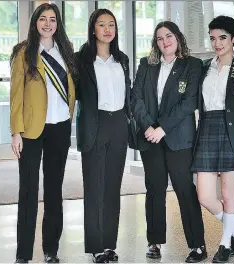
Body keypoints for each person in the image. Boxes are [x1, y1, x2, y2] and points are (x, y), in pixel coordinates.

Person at [131, 21, 207, 263]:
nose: (165, 41)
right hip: (150, 138)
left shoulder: (192, 65)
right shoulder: (146, 64)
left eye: (169, 36)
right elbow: (136, 98)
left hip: (178, 139)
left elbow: (189, 103)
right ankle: (154, 242)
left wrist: (162, 128)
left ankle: (198, 245)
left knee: (185, 190)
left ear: (178, 37)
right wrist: (150, 127)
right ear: (156, 42)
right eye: (160, 38)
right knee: (155, 190)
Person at [10, 3, 76, 263]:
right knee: (28, 190)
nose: (48, 24)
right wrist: (16, 132)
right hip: (30, 131)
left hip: (60, 128)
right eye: (43, 19)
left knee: (53, 190)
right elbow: (16, 95)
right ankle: (23, 254)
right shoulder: (24, 53)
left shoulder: (66, 53)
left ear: (58, 24)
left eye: (52, 19)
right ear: (35, 22)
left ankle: (51, 250)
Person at [191, 16, 234, 263]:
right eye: (213, 38)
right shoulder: (204, 66)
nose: (217, 43)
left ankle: (226, 243)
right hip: (206, 130)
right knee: (204, 195)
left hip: (231, 131)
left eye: (223, 38)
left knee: (228, 193)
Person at [75, 9, 131, 264]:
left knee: (112, 189)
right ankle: (95, 246)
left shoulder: (123, 60)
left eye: (111, 24)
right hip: (94, 125)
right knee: (95, 189)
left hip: (119, 124)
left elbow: (128, 94)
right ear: (93, 29)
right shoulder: (81, 60)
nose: (107, 29)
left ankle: (109, 244)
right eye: (101, 25)